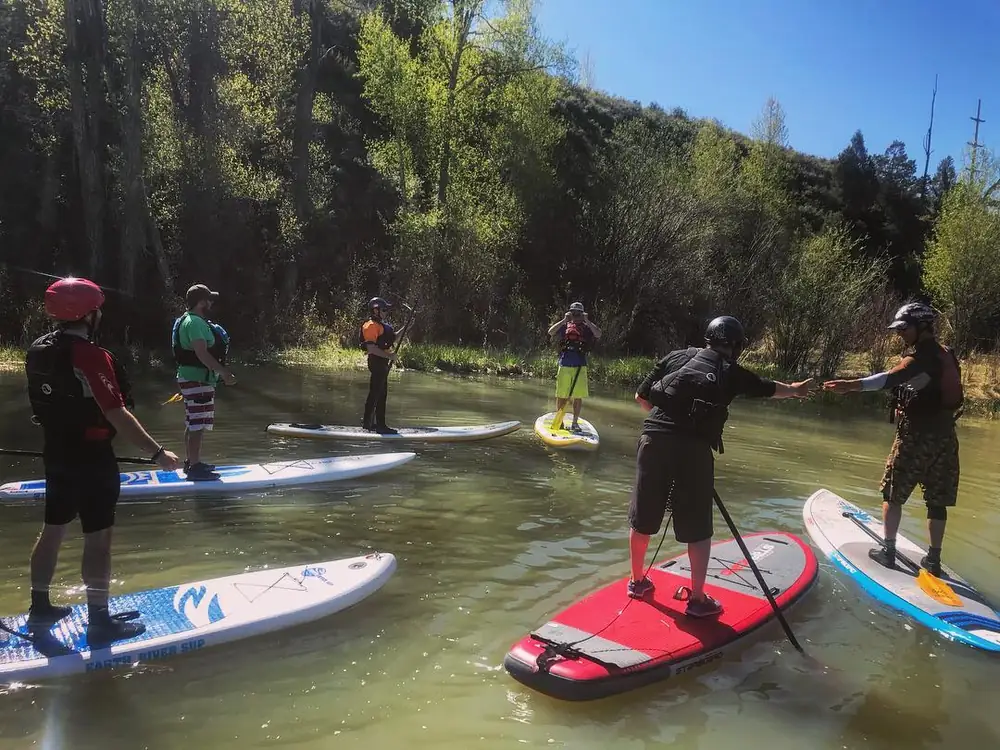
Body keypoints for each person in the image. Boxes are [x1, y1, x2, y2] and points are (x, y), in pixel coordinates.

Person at [24, 277, 181, 644]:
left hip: (56, 454)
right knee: (98, 541)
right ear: (88, 314)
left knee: (52, 531)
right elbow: (116, 413)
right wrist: (159, 454)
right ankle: (99, 623)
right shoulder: (91, 356)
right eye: (98, 310)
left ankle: (39, 607)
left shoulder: (38, 349)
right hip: (92, 459)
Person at [627, 315, 812, 615]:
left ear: (708, 338)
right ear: (736, 346)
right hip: (694, 451)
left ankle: (637, 582)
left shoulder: (676, 356)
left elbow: (641, 395)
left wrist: (668, 425)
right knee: (698, 526)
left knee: (643, 515)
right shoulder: (732, 373)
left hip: (653, 440)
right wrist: (795, 389)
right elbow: (767, 388)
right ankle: (697, 600)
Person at [822, 302, 963, 577]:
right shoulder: (947, 354)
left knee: (892, 492)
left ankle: (888, 551)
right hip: (946, 438)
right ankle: (933, 560)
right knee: (937, 501)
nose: (900, 334)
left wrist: (851, 386)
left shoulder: (920, 358)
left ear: (921, 328)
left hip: (916, 437)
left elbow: (887, 380)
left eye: (904, 328)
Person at [172, 283, 235, 480]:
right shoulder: (195, 323)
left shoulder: (190, 320)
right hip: (196, 379)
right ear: (201, 302)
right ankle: (195, 467)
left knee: (194, 421)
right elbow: (201, 353)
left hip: (195, 379)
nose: (211, 303)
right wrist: (224, 373)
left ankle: (192, 462)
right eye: (208, 300)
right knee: (197, 423)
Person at [546, 302, 601, 431]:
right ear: (570, 312)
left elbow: (598, 334)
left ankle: (575, 422)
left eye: (578, 313)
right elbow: (550, 332)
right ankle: (560, 421)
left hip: (580, 366)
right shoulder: (565, 325)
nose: (576, 315)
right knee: (561, 395)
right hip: (564, 364)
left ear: (582, 314)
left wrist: (587, 320)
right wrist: (564, 320)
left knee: (578, 396)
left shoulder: (586, 327)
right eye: (574, 312)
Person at [360, 296, 411, 434]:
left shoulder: (382, 326)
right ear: (375, 311)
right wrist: (389, 356)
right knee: (377, 392)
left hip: (382, 362)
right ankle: (372, 424)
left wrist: (405, 328)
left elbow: (393, 337)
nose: (386, 312)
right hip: (376, 362)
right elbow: (371, 349)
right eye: (384, 309)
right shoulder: (370, 326)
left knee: (381, 393)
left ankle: (375, 423)